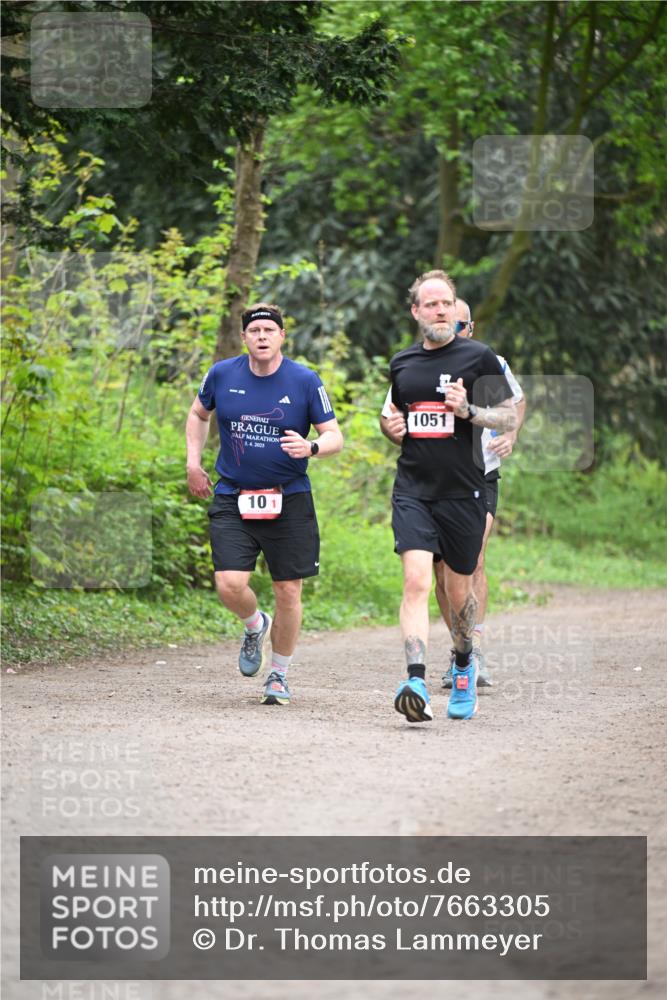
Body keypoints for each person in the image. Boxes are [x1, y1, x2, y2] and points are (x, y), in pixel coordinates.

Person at [185, 303, 343, 706]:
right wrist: (193, 463)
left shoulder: (305, 380)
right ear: (244, 337)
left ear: (282, 336)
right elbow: (198, 414)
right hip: (232, 495)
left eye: (269, 330)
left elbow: (334, 437)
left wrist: (311, 447)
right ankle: (255, 624)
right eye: (254, 330)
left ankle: (278, 676)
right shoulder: (222, 374)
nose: (261, 336)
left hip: (288, 497)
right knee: (229, 584)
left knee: (288, 589)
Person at [380, 270, 517, 722]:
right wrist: (392, 428)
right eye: (431, 304)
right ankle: (415, 679)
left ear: (454, 309)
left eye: (446, 303)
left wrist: (467, 410)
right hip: (414, 489)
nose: (440, 310)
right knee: (417, 581)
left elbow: (507, 417)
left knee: (458, 590)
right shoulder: (402, 363)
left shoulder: (478, 357)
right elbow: (396, 418)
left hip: (464, 491)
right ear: (416, 311)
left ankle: (463, 664)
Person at [436, 299, 525, 688]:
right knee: (442, 571)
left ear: (470, 329)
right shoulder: (419, 363)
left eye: (460, 327)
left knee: (472, 560)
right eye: (445, 326)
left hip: (480, 474)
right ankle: (460, 649)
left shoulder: (493, 363)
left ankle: (477, 649)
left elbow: (517, 402)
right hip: (434, 479)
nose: (452, 334)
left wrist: (511, 433)